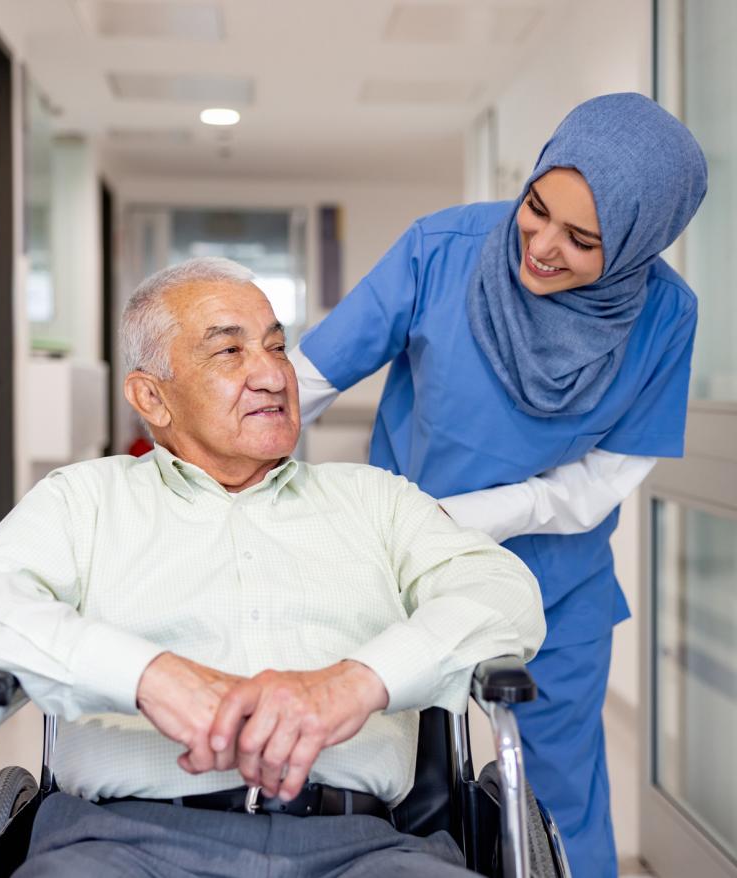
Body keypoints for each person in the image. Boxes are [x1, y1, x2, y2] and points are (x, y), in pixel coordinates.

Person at [0, 257, 545, 878]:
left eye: (277, 347)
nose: (272, 374)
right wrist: (147, 675)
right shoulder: (84, 500)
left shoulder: (376, 500)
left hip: (363, 848)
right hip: (117, 846)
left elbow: (503, 593)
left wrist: (356, 682)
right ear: (151, 396)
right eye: (229, 352)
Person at [289, 93, 708, 877]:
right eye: (536, 208)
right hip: (400, 572)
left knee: (554, 801)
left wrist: (460, 515)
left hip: (555, 585)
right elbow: (307, 380)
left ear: (637, 244)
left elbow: (596, 486)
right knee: (382, 780)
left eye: (582, 240)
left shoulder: (665, 317)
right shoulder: (441, 250)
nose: (542, 246)